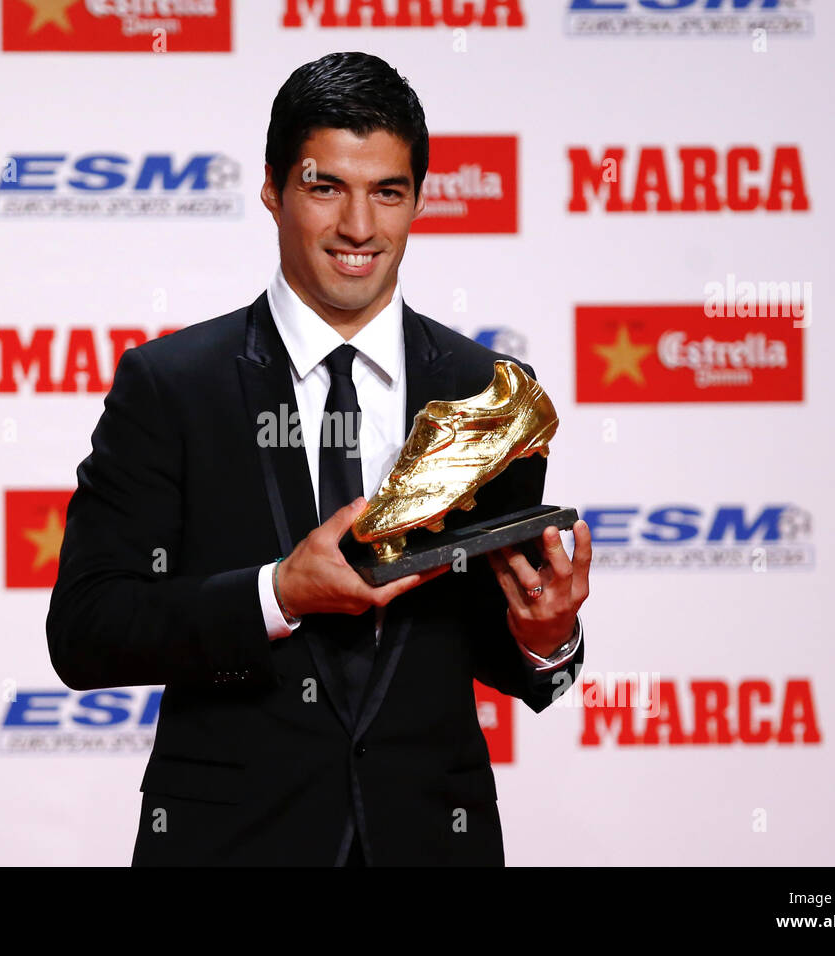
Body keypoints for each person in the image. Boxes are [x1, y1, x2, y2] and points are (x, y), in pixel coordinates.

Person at [46, 51, 591, 866]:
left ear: (418, 200)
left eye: (388, 192)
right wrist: (277, 593)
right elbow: (86, 632)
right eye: (325, 186)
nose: (359, 228)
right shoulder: (171, 386)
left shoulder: (488, 394)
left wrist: (545, 636)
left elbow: (490, 648)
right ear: (272, 189)